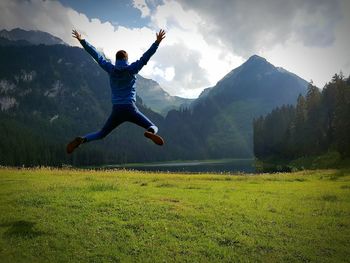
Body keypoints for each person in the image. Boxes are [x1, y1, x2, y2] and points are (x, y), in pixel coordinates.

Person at [66, 29, 166, 154]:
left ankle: (83, 139)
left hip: (117, 110)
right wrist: (157, 42)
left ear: (116, 59)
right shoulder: (132, 69)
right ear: (126, 59)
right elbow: (145, 57)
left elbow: (97, 56)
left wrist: (82, 41)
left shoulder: (110, 69)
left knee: (101, 134)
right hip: (130, 109)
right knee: (153, 126)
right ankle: (150, 132)